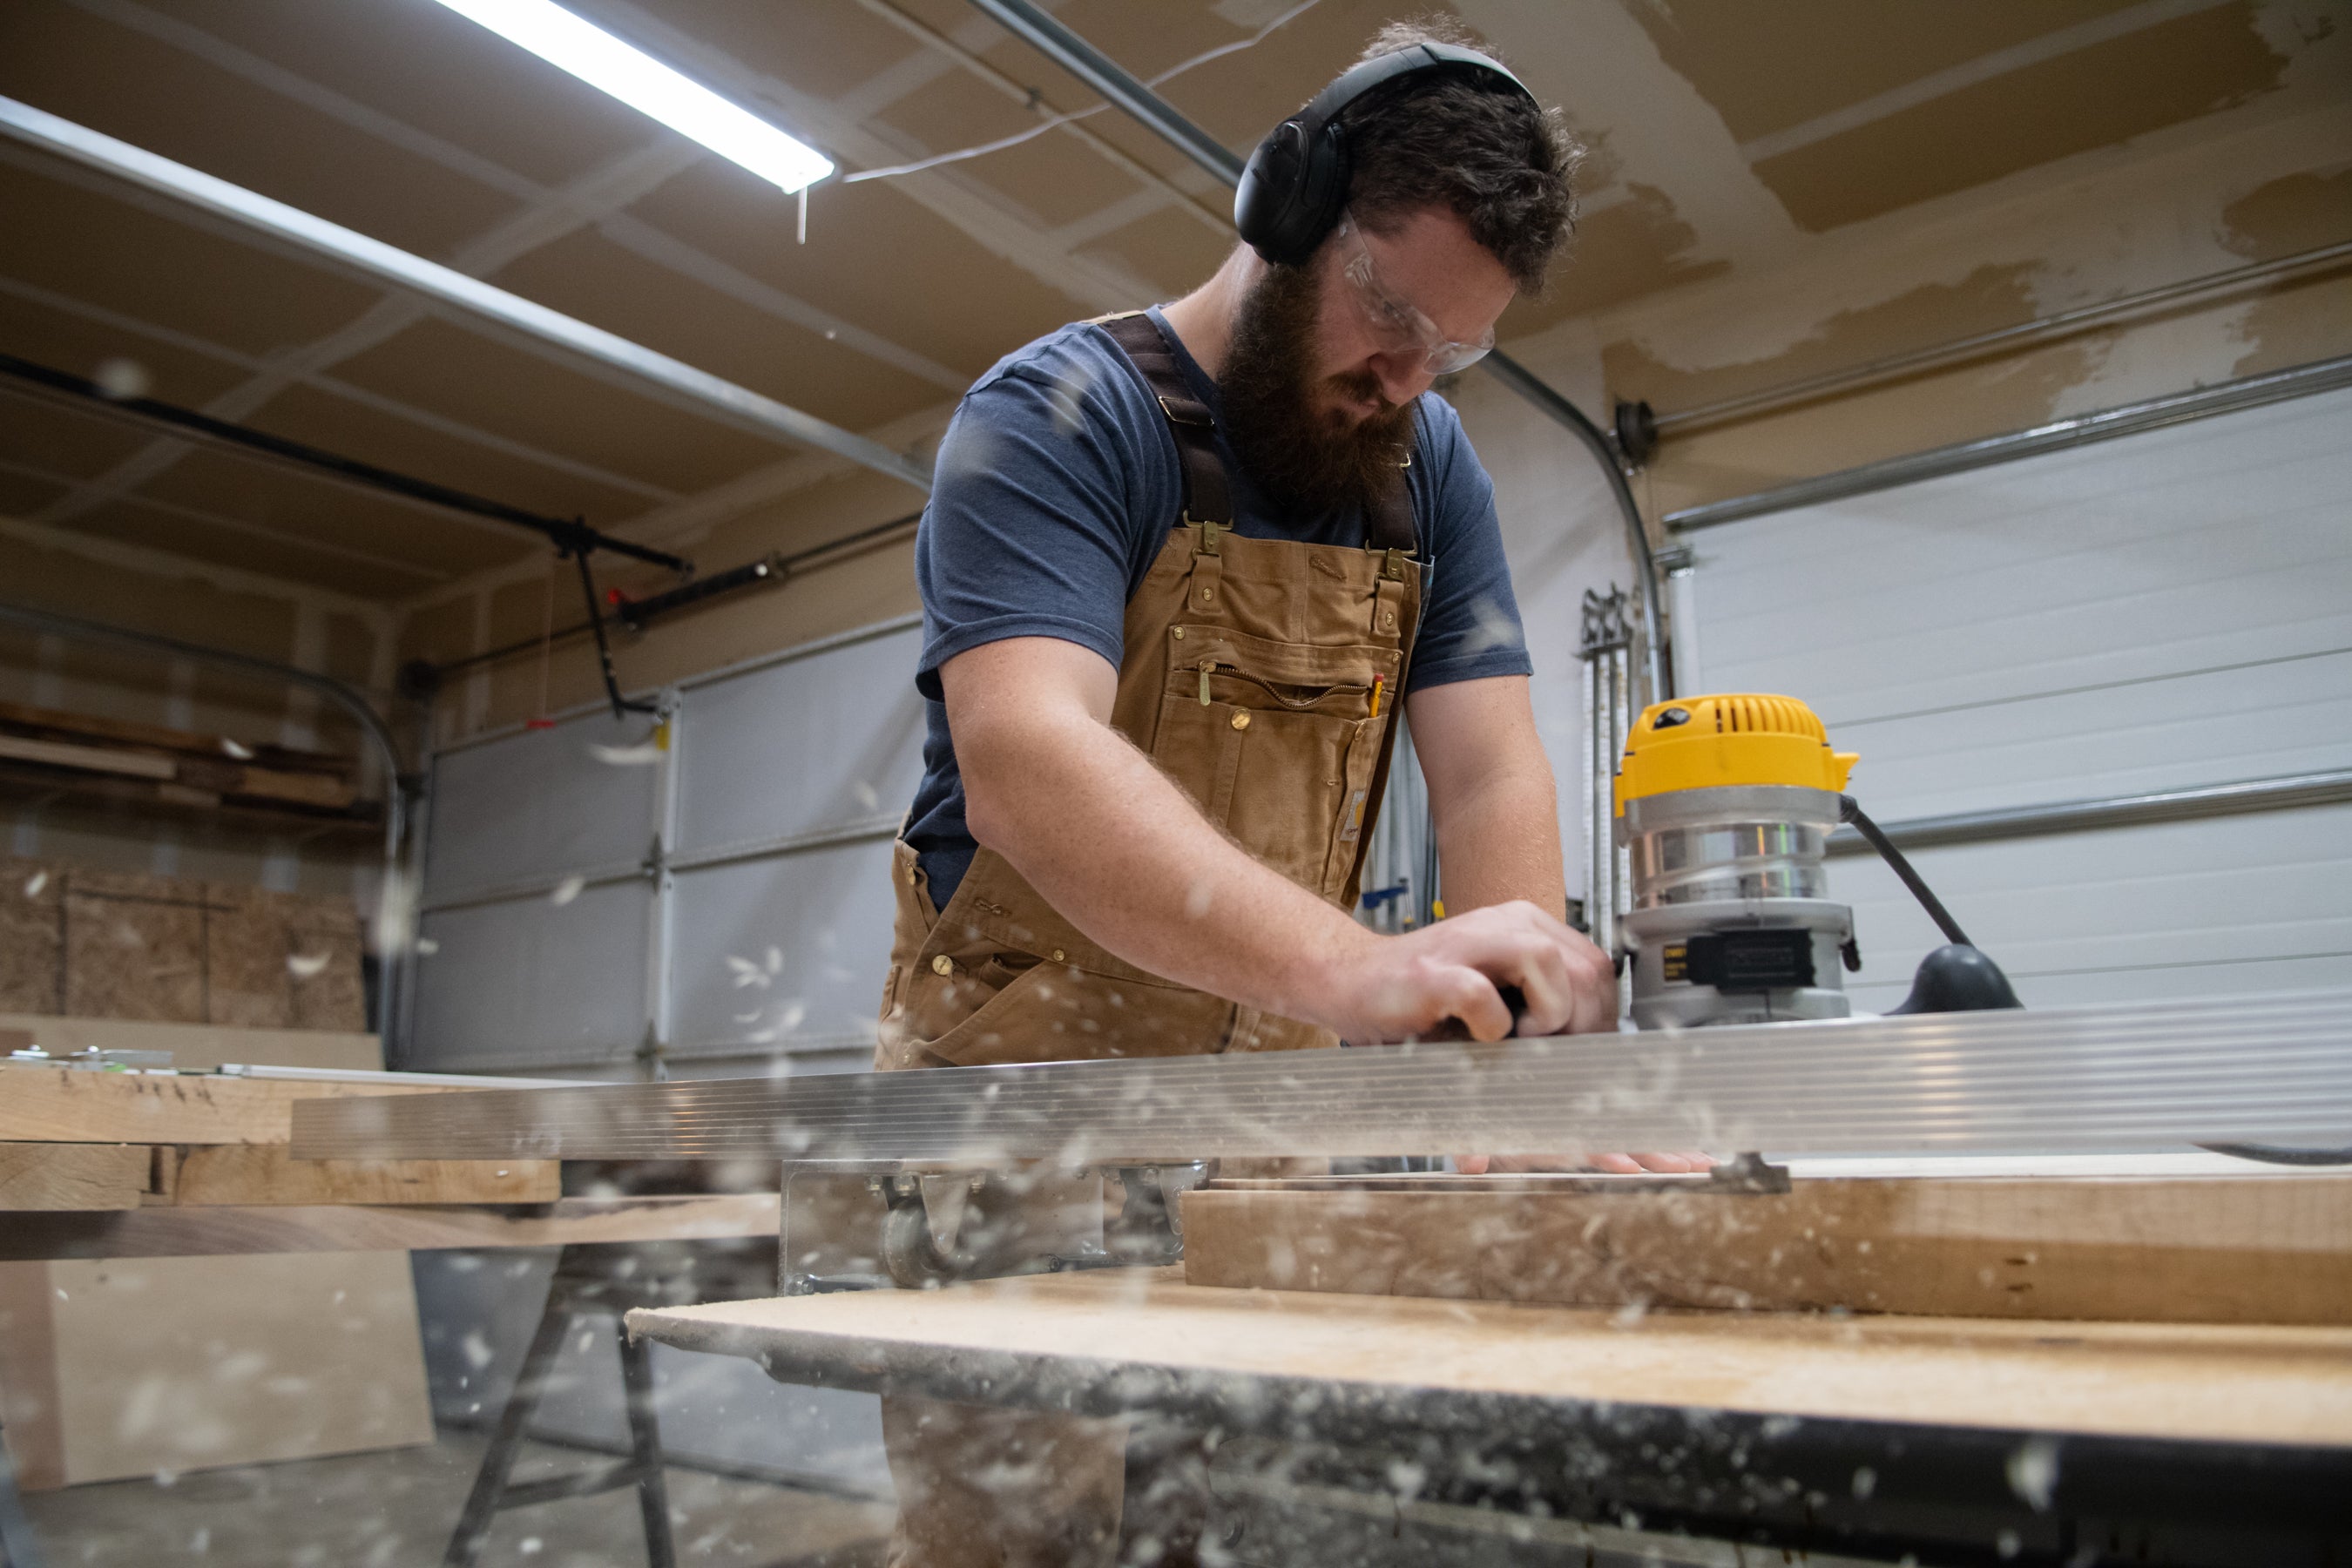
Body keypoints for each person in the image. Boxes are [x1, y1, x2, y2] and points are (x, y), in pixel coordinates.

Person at [869, 20, 1701, 1565]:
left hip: (1261, 1104)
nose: (1404, 377)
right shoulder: (1059, 415)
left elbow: (1489, 758)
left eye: (1450, 350)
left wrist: (1526, 1071)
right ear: (1286, 213)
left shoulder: (1425, 465)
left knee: (1241, 1521)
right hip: (1025, 1100)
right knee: (1026, 1537)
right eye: (1387, 312)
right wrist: (1362, 968)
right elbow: (1029, 767)